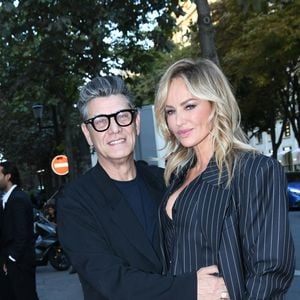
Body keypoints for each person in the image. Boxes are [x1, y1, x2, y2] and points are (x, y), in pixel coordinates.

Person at [56, 75, 228, 300]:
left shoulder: (168, 180)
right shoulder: (74, 202)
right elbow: (111, 281)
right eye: (100, 122)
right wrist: (189, 288)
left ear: (136, 123)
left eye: (122, 117)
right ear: (88, 133)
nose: (114, 129)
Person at [154, 58, 296, 299]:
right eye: (170, 111)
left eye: (189, 106)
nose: (178, 121)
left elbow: (270, 272)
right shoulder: (178, 175)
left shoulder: (253, 170)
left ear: (215, 104)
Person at [0, 161, 39, 300]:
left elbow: (21, 234)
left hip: (20, 263)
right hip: (13, 262)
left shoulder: (18, 199)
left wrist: (11, 259)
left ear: (8, 176)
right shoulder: (9, 198)